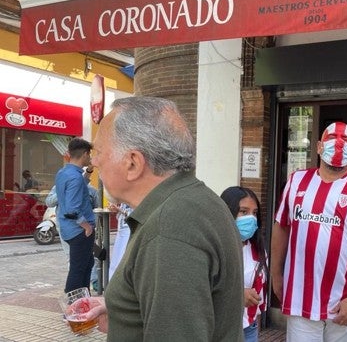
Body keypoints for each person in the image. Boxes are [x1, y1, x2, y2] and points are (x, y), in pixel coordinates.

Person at [79, 96, 244, 341]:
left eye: (100, 151)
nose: (94, 161)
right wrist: (124, 310)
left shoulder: (169, 227)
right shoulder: (195, 201)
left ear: (133, 163)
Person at [271, 121, 347, 341]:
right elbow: (281, 227)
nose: (338, 147)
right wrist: (276, 275)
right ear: (318, 146)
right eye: (332, 141)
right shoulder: (297, 180)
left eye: (344, 143)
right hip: (300, 299)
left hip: (343, 302)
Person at [220, 186, 267, 342]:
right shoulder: (213, 248)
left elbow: (258, 300)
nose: (251, 219)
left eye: (254, 213)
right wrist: (237, 294)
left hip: (248, 329)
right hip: (219, 329)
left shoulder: (258, 252)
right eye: (243, 212)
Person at [55, 138, 96, 293]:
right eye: (89, 154)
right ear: (85, 154)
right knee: (78, 270)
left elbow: (78, 189)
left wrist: (89, 172)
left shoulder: (64, 172)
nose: (90, 157)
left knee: (87, 264)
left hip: (68, 229)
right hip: (79, 230)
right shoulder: (75, 177)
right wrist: (86, 227)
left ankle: (83, 300)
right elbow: (72, 210)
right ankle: (72, 307)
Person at [107, 203, 132, 279]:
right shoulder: (124, 200)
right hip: (121, 232)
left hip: (129, 233)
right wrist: (117, 211)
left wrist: (120, 210)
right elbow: (120, 217)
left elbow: (136, 215)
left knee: (123, 262)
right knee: (116, 263)